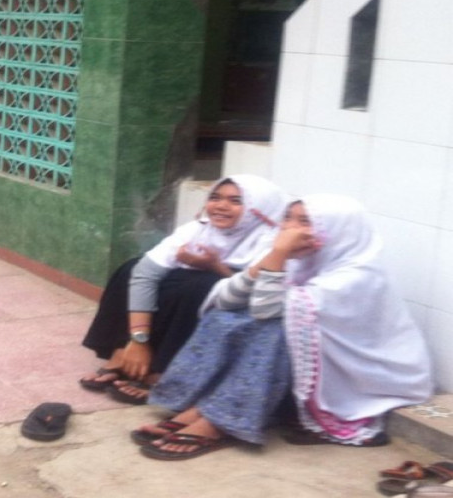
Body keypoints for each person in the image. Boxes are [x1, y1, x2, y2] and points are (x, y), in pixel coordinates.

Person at [133, 194, 433, 460]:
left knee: (273, 331)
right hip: (322, 368)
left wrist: (277, 254)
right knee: (226, 317)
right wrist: (267, 260)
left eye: (305, 222)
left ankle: (221, 420)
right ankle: (205, 408)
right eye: (288, 218)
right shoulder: (300, 261)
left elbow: (266, 310)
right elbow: (225, 299)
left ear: (337, 231)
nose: (289, 229)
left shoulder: (356, 275)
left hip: (366, 379)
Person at [80, 174, 286, 405]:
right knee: (131, 269)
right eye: (215, 197)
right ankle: (123, 354)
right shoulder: (198, 229)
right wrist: (139, 340)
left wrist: (215, 266)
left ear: (259, 209)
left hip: (243, 303)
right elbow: (145, 273)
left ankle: (162, 372)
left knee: (198, 287)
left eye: (235, 201)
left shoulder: (271, 243)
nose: (220, 206)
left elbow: (257, 291)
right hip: (208, 288)